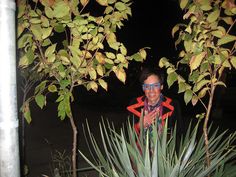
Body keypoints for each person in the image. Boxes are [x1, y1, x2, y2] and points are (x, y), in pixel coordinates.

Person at [127, 67, 183, 136]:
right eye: (147, 86)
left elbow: (179, 134)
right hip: (139, 146)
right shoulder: (134, 104)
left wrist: (164, 128)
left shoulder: (173, 104)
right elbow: (127, 133)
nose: (151, 90)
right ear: (143, 88)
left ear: (161, 86)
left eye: (155, 85)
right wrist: (139, 125)